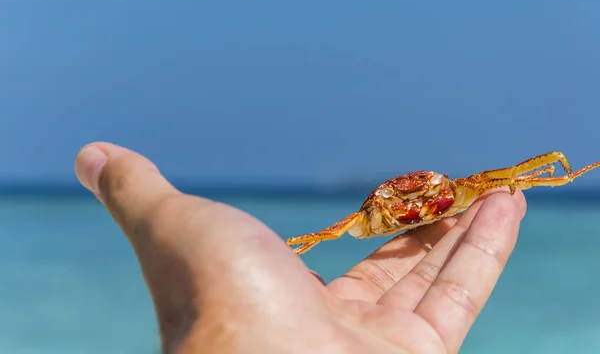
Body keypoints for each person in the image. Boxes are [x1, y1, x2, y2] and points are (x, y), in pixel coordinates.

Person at [74, 142, 526, 354]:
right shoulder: (370, 213)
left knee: (500, 185)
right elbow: (330, 231)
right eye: (401, 198)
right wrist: (288, 250)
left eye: (422, 194)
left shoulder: (453, 189)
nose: (415, 204)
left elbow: (498, 176)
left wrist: (553, 172)